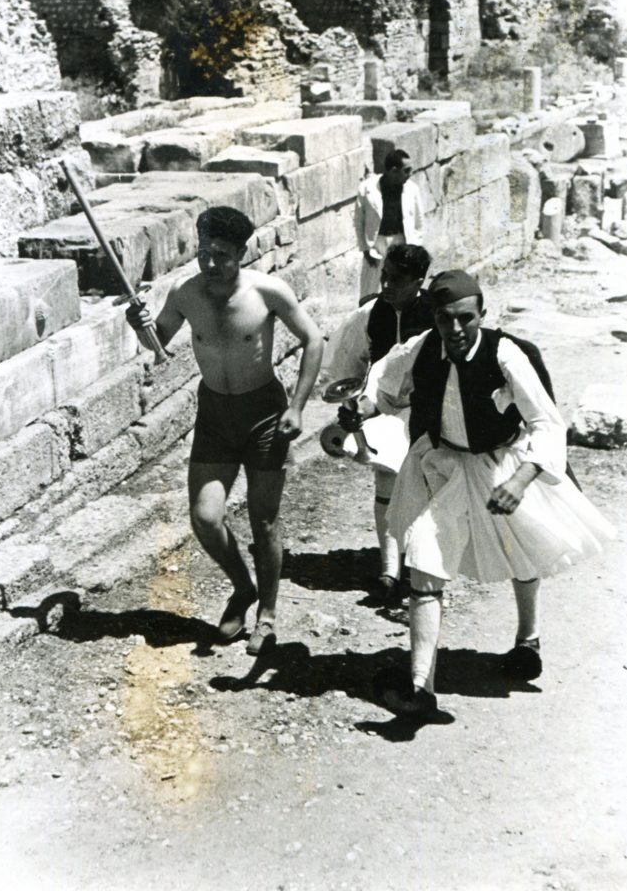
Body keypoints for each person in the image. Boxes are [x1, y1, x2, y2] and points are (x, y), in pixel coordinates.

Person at [340, 269, 615, 719]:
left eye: (465, 318)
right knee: (424, 561)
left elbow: (546, 422)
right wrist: (362, 409)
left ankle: (527, 639)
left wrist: (521, 478)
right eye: (444, 318)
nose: (455, 329)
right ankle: (420, 687)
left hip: (502, 463)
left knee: (522, 546)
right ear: (433, 316)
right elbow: (387, 393)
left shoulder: (505, 354)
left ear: (482, 313)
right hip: (444, 467)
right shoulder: (420, 348)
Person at [126, 206, 323, 655]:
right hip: (215, 413)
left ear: (241, 252)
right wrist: (139, 326)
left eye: (221, 254)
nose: (210, 263)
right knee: (205, 517)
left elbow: (314, 340)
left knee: (264, 520)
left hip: (264, 414)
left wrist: (297, 407)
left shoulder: (267, 291)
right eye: (203, 253)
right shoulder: (185, 292)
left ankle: (267, 616)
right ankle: (243, 587)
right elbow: (159, 343)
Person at [324, 244, 434, 603]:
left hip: (428, 408)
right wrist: (351, 403)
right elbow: (347, 362)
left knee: (426, 482)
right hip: (383, 407)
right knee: (387, 474)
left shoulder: (436, 313)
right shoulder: (370, 314)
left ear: (418, 281)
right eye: (384, 276)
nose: (386, 285)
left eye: (396, 280)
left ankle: (421, 565)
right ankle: (390, 570)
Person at [355, 149, 425, 302]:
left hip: (402, 241)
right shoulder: (367, 188)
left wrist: (415, 249)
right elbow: (359, 222)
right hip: (377, 242)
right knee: (370, 287)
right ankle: (369, 312)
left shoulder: (412, 189)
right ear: (394, 170)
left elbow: (419, 222)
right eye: (406, 170)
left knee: (403, 283)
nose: (410, 174)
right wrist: (365, 249)